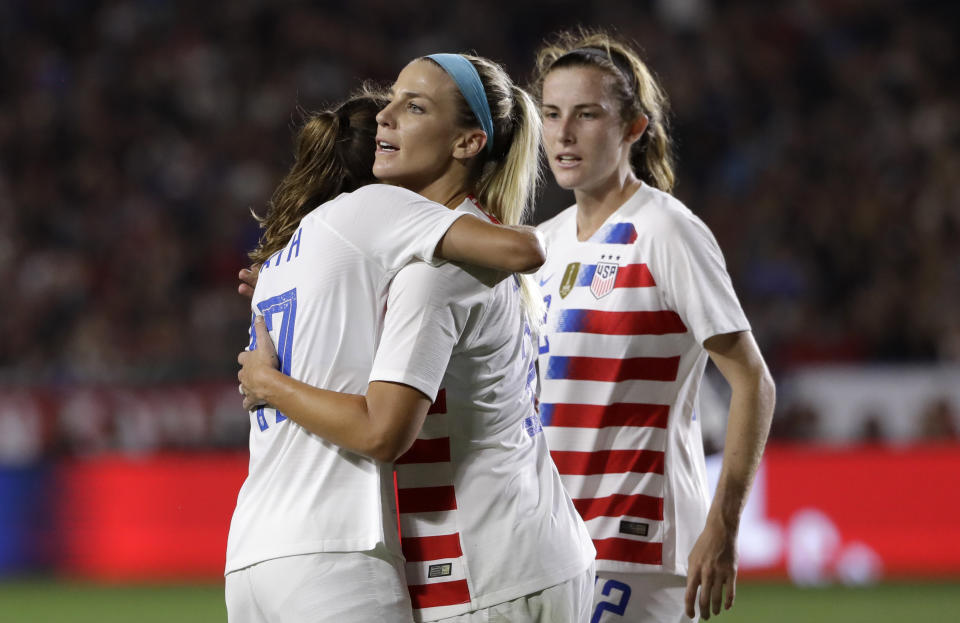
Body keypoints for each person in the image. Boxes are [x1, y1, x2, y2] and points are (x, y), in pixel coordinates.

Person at [234, 53, 595, 623]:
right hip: (519, 553)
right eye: (392, 99)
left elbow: (382, 431)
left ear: (467, 143)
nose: (385, 116)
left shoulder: (433, 275)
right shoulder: (444, 248)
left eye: (415, 106)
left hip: (487, 570)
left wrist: (268, 383)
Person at [530, 30, 776, 622]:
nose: (563, 134)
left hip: (637, 547)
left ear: (633, 128)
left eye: (586, 115)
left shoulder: (666, 232)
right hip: (548, 544)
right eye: (552, 114)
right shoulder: (542, 244)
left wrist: (723, 527)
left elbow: (753, 382)